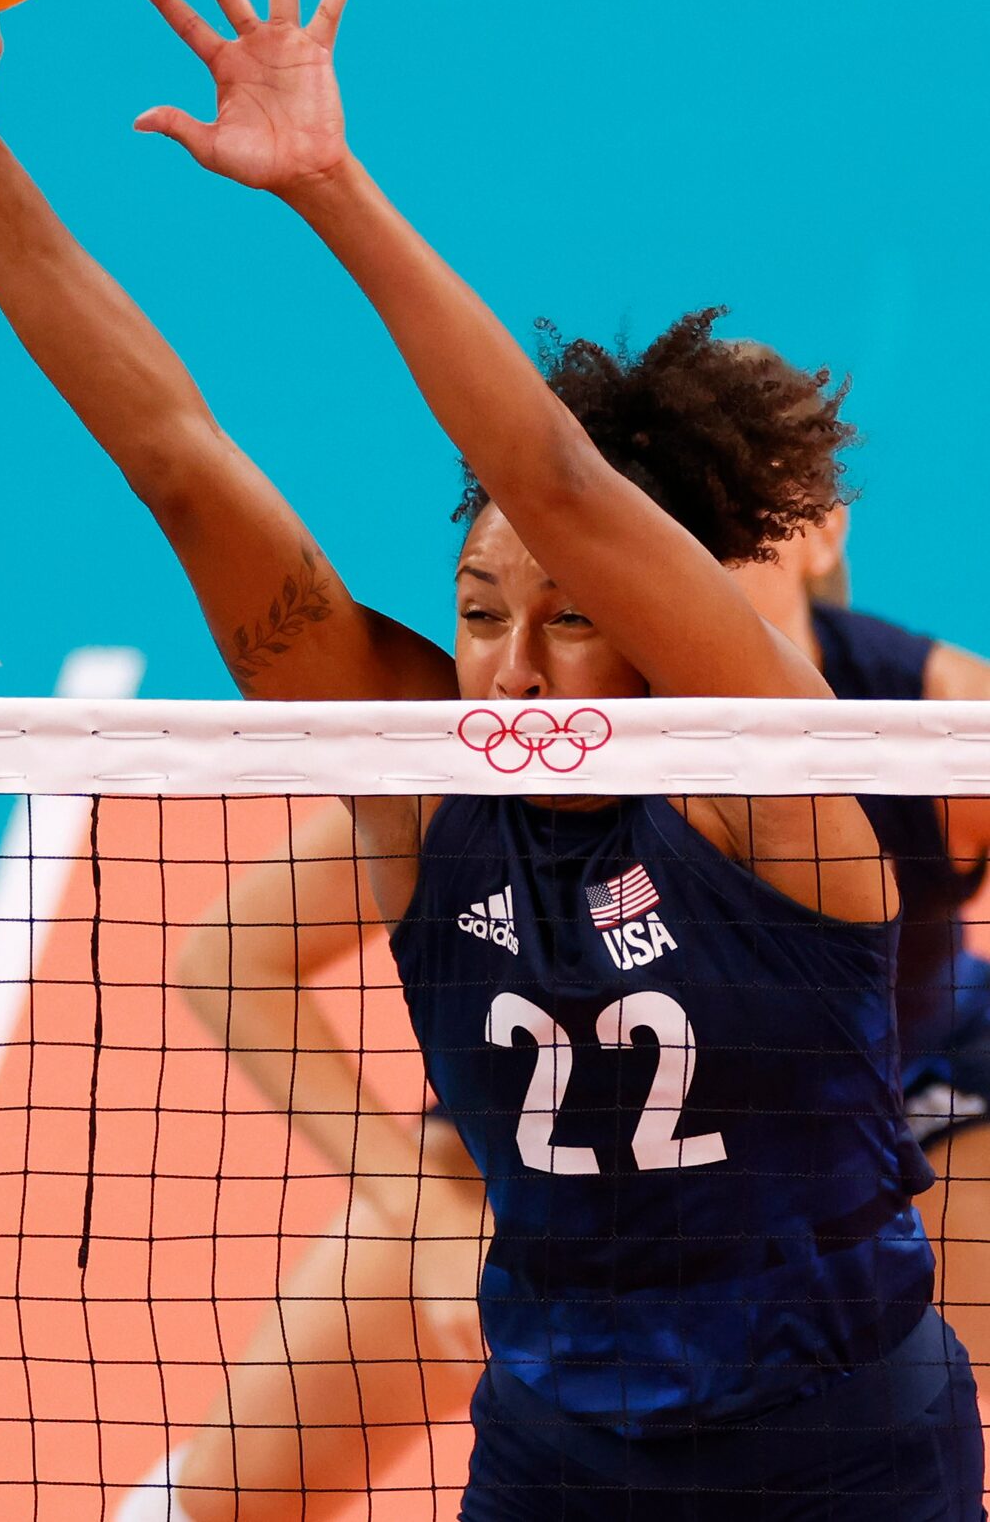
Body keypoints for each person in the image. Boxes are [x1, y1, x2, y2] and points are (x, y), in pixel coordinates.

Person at [0, 0, 984, 1516]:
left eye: (574, 615)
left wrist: (331, 185)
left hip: (836, 1453)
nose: (509, 663)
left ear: (670, 620)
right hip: (562, 1451)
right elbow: (180, 461)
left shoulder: (775, 778)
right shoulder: (423, 779)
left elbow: (555, 473)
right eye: (475, 612)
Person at [163, 514, 990, 1521]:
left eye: (730, 536)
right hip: (551, 1153)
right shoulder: (526, 757)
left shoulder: (936, 720)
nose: (697, 586)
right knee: (221, 1497)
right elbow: (224, 958)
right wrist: (412, 1206)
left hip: (910, 1122)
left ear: (818, 538)